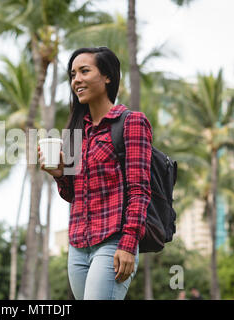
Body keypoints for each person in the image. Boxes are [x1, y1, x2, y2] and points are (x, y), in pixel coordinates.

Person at [38, 47, 152, 300]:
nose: (76, 79)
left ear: (107, 76)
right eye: (72, 74)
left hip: (113, 242)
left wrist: (128, 244)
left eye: (84, 71)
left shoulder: (132, 122)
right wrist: (59, 174)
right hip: (78, 246)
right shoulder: (77, 132)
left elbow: (139, 190)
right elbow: (73, 194)